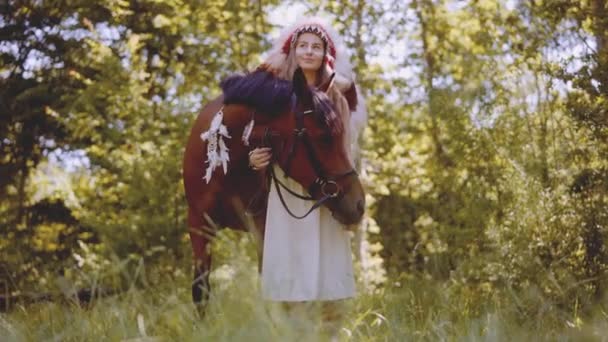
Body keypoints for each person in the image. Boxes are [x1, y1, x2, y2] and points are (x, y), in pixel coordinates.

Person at [248, 17, 367, 337]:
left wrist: (347, 92)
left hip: (326, 184)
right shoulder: (275, 90)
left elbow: (350, 134)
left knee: (326, 250)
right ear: (293, 49)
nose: (309, 51)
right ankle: (291, 329)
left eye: (316, 46)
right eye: (303, 46)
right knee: (289, 250)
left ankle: (329, 329)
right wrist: (255, 156)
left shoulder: (338, 90)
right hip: (288, 185)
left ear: (325, 53)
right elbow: (256, 132)